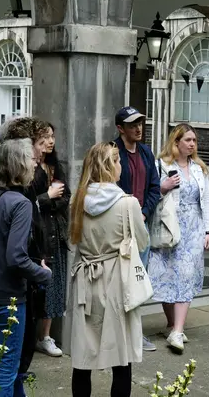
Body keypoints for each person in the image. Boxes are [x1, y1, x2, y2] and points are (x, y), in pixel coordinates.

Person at [0, 138, 52, 397]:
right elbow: (16, 257)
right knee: (6, 368)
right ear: (19, 165)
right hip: (7, 295)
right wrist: (43, 274)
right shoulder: (20, 203)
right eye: (30, 159)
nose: (35, 164)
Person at [68, 142, 149, 397]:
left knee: (83, 357)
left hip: (85, 281)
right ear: (109, 165)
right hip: (117, 280)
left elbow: (74, 238)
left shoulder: (77, 200)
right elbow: (142, 241)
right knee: (121, 357)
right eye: (118, 161)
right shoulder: (128, 203)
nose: (121, 166)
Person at [149, 123, 209, 353]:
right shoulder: (162, 165)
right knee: (167, 277)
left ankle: (177, 330)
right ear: (176, 142)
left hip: (194, 228)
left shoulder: (199, 168)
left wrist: (208, 231)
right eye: (188, 140)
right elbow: (150, 195)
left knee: (185, 276)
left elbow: (206, 201)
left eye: (194, 140)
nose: (192, 144)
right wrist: (163, 187)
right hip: (170, 227)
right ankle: (171, 324)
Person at [113, 106, 161, 352]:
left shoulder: (145, 152)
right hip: (118, 226)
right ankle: (117, 332)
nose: (138, 128)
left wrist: (143, 212)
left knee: (138, 278)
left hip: (140, 225)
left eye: (140, 123)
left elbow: (154, 187)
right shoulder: (112, 152)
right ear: (120, 128)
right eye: (132, 125)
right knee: (119, 280)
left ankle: (134, 332)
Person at [35, 123, 70, 357]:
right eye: (44, 137)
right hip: (39, 232)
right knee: (41, 283)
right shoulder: (30, 167)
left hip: (57, 231)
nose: (50, 141)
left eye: (52, 136)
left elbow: (66, 196)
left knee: (55, 282)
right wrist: (48, 197)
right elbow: (29, 200)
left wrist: (53, 200)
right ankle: (36, 336)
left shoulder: (56, 166)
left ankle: (45, 336)